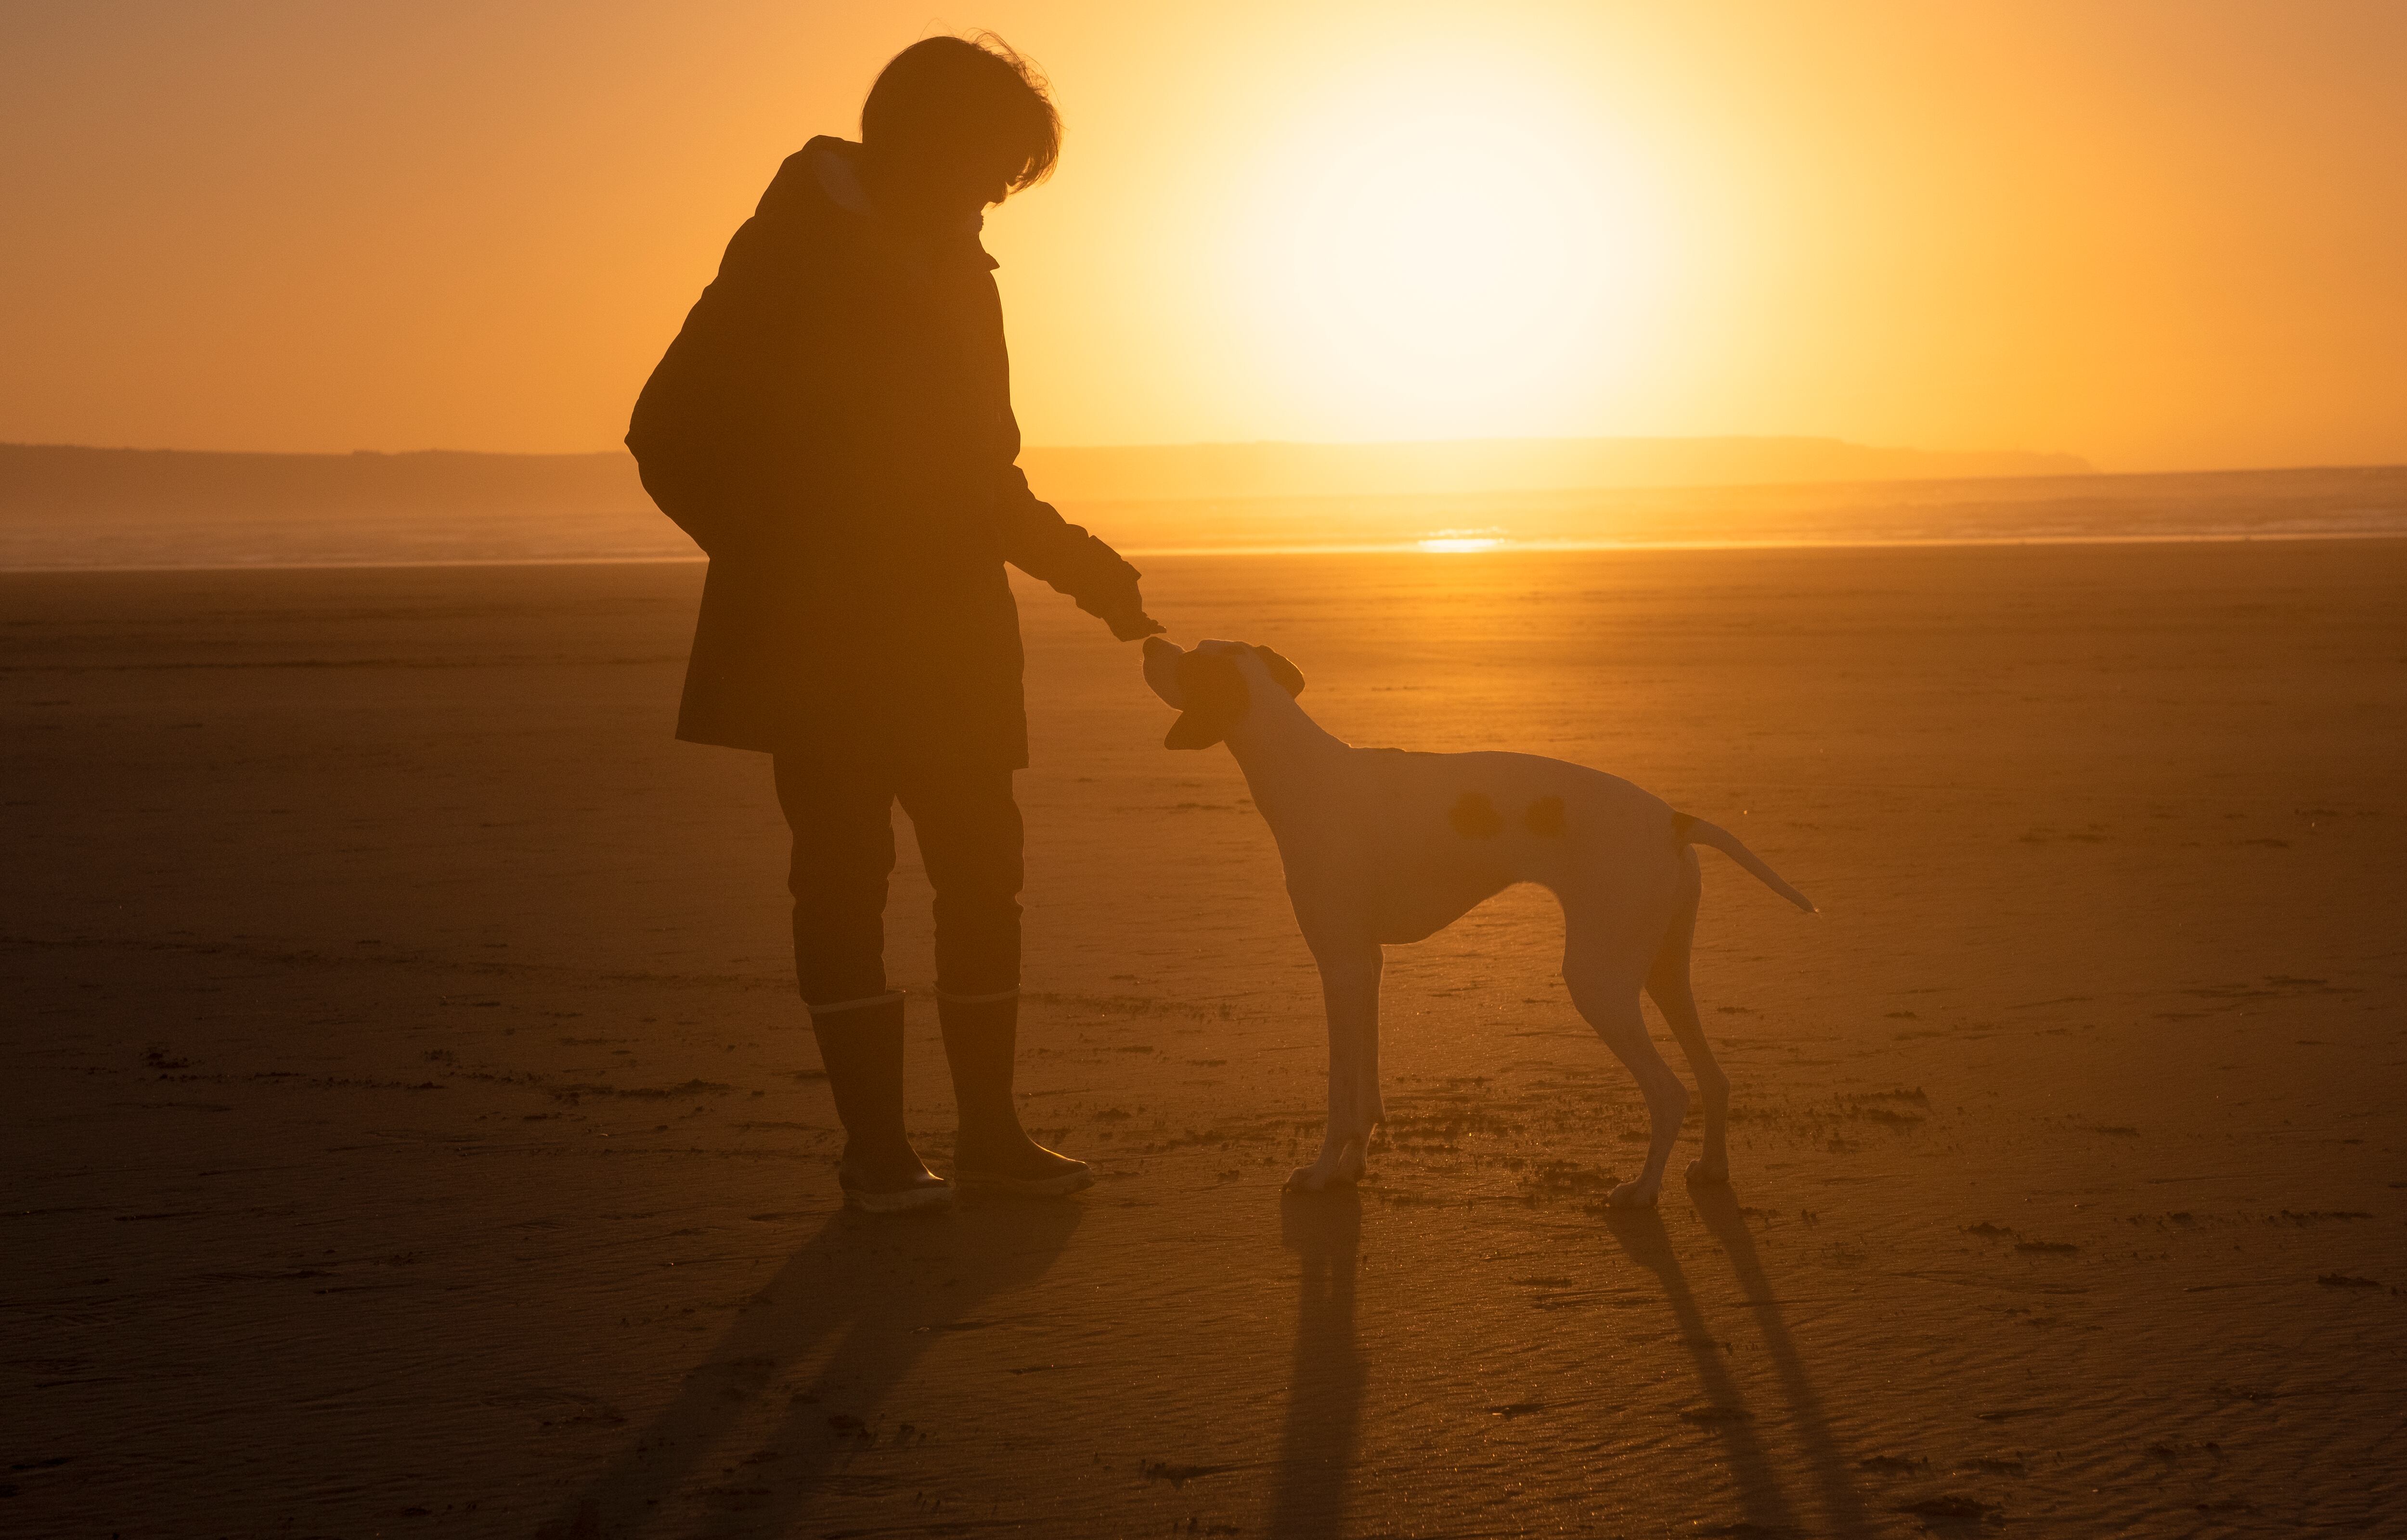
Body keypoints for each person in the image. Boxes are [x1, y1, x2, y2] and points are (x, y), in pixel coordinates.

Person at [626, 35, 1162, 1213]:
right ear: (926, 137)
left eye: (1009, 179)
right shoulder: (788, 251)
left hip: (952, 633)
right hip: (816, 640)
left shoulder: (961, 267)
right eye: (990, 166)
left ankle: (990, 1135)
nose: (994, 195)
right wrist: (784, 560)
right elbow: (664, 430)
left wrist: (1088, 573)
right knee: (843, 877)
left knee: (984, 874)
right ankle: (876, 1154)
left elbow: (980, 475)